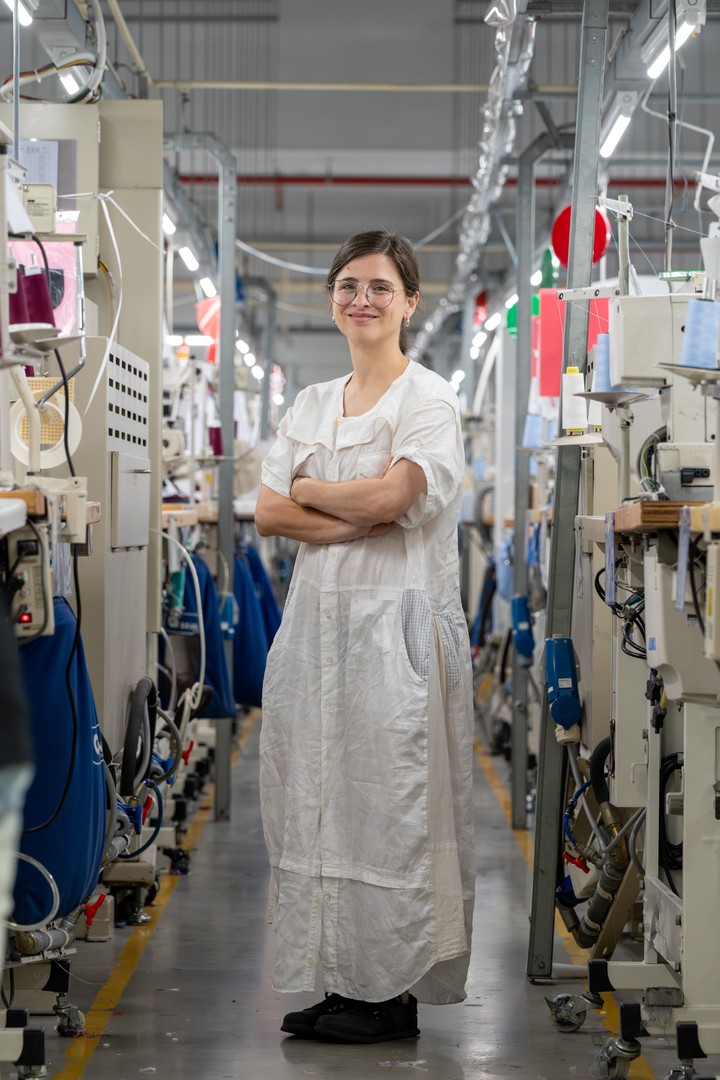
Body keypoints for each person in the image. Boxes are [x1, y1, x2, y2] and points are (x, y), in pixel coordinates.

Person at [254, 229, 475, 1045]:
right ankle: (343, 978)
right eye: (348, 285)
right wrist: (341, 506)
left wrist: (315, 491)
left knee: (393, 810)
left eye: (380, 287)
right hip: (319, 633)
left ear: (410, 302)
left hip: (399, 638)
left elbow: (394, 501)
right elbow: (269, 511)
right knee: (317, 804)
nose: (362, 299)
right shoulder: (312, 402)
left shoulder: (429, 400)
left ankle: (391, 993)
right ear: (332, 299)